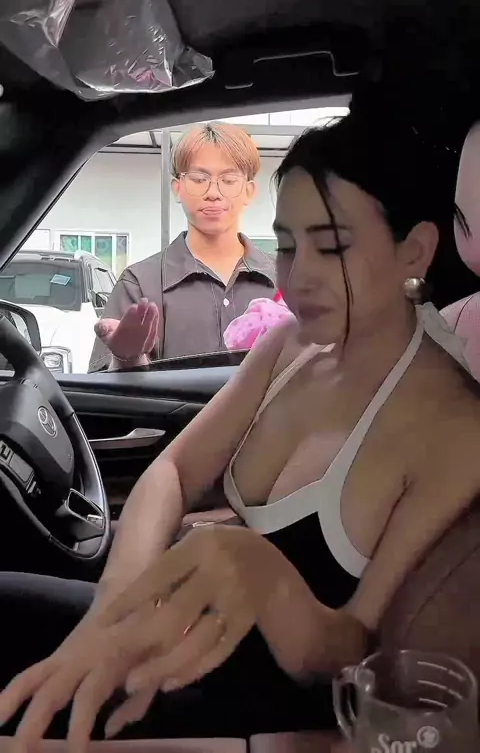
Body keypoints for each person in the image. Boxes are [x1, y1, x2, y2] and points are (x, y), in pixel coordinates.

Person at [2, 103, 480, 752]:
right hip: (167, 616)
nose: (297, 277)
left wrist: (259, 573)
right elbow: (174, 471)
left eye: (332, 247)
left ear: (414, 251)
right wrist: (113, 610)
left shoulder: (454, 426)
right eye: (288, 246)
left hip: (251, 699)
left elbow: (352, 652)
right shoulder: (289, 347)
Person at [88, 122, 277, 371]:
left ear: (249, 191)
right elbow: (104, 389)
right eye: (199, 179)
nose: (213, 192)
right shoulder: (139, 283)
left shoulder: (286, 278)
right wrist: (127, 358)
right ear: (177, 188)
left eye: (229, 180)